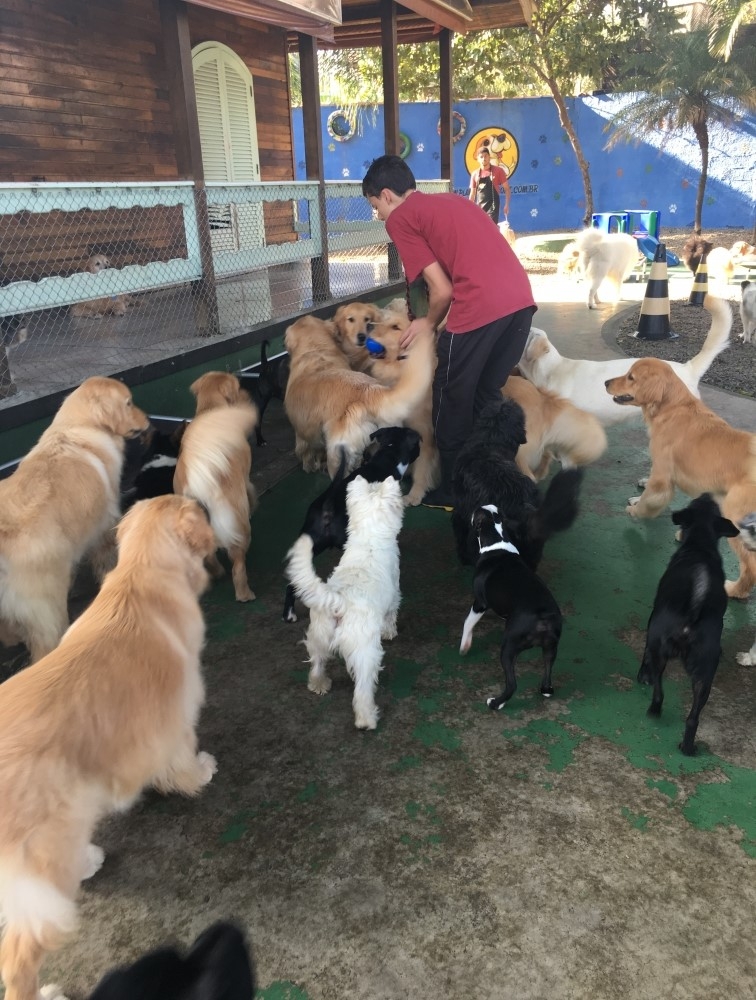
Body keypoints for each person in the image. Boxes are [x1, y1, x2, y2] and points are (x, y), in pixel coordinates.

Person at [362, 154, 536, 510]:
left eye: (374, 205)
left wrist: (427, 323)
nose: (377, 214)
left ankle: (456, 491)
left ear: (387, 195)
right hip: (521, 304)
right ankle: (493, 477)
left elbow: (442, 291)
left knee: (450, 398)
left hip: (480, 308)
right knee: (486, 394)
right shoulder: (453, 200)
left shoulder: (401, 219)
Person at [469, 146, 510, 226]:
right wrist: (470, 208)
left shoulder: (498, 171)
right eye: (481, 157)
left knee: (491, 228)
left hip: (493, 208)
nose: (484, 159)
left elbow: (507, 189)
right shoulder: (475, 174)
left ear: (489, 157)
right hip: (479, 208)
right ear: (477, 159)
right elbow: (472, 193)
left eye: (486, 156)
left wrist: (507, 205)